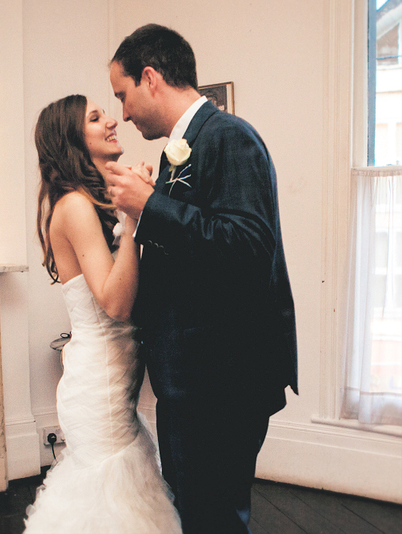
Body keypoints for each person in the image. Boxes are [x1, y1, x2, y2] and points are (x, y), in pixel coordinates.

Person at [105, 24, 298, 533]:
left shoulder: (230, 137)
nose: (122, 112)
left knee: (215, 518)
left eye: (122, 95)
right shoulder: (183, 146)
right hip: (193, 377)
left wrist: (151, 207)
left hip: (223, 378)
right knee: (198, 512)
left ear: (150, 78)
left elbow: (251, 248)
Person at [24, 94, 181, 533]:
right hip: (99, 386)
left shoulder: (90, 200)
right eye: (96, 117)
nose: (113, 120)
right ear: (72, 139)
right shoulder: (73, 206)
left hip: (115, 379)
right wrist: (132, 220)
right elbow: (115, 302)